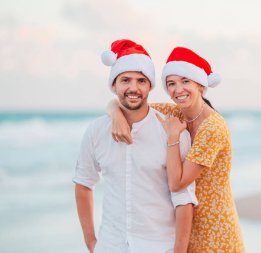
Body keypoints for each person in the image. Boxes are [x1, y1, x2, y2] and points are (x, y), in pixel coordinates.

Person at [108, 47, 245, 252]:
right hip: (184, 228)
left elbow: (177, 183)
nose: (178, 89)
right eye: (171, 84)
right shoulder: (176, 112)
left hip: (216, 230)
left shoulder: (213, 127)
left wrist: (173, 137)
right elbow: (129, 104)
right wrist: (115, 115)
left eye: (185, 81)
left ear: (200, 85)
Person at [73, 39, 198, 253]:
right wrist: (92, 243)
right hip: (110, 245)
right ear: (114, 85)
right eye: (125, 80)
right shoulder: (96, 131)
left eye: (141, 81)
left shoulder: (171, 132)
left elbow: (184, 200)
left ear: (150, 86)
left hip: (159, 247)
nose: (133, 88)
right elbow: (84, 184)